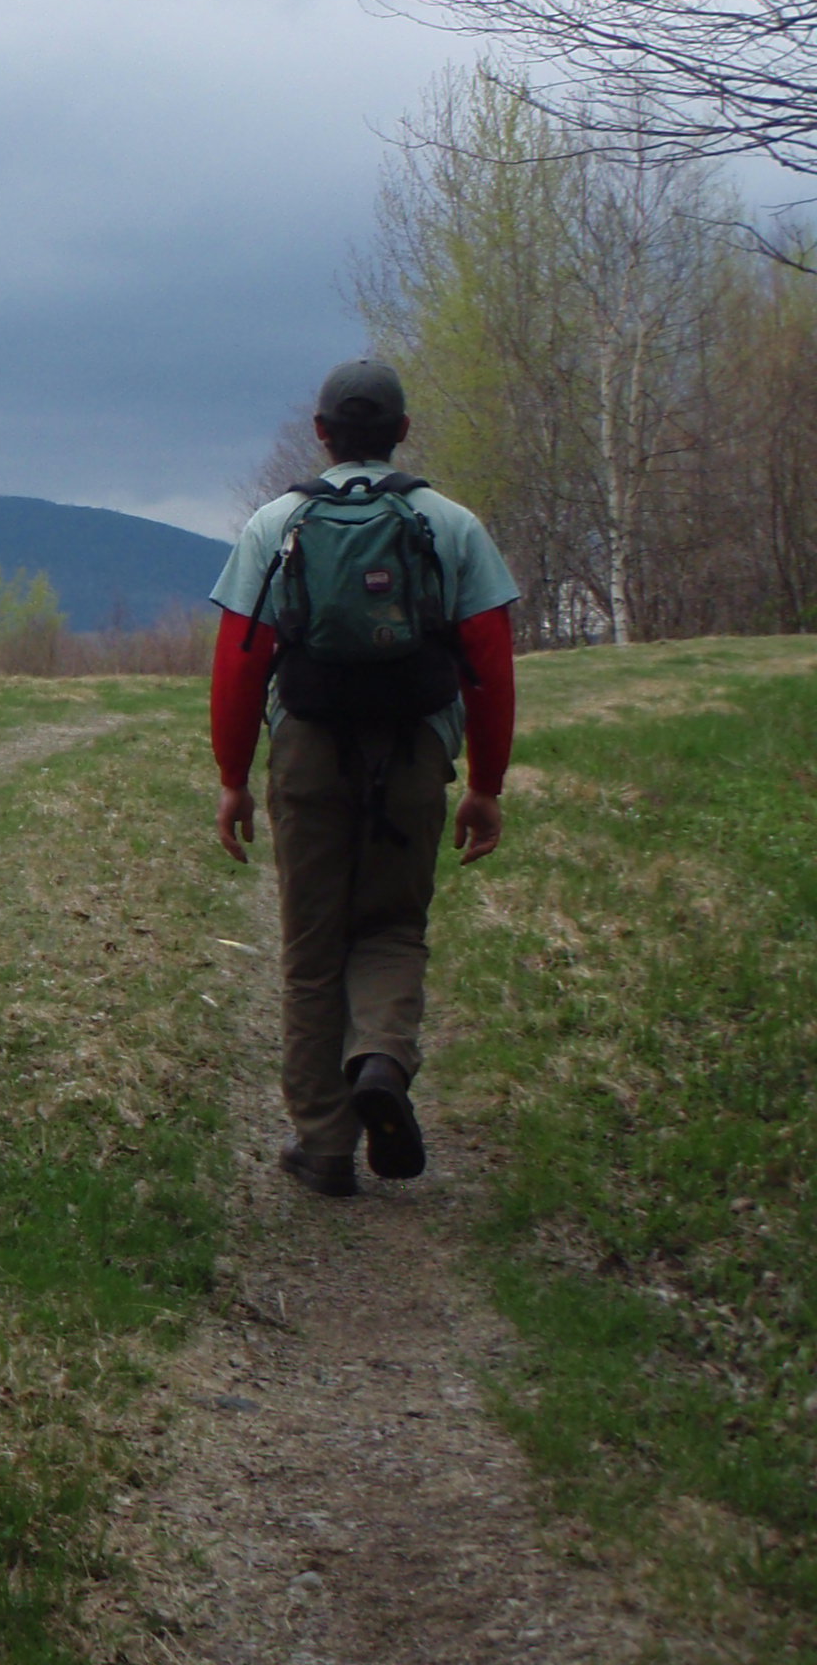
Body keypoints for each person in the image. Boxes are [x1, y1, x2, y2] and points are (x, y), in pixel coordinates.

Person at [207, 358, 519, 1196]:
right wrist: (486, 784)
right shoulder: (451, 524)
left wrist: (233, 775)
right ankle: (379, 1059)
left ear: (321, 434)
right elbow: (490, 666)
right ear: (402, 432)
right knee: (390, 928)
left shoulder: (276, 523)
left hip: (307, 750)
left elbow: (240, 662)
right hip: (415, 750)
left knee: (312, 950)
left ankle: (323, 1146)